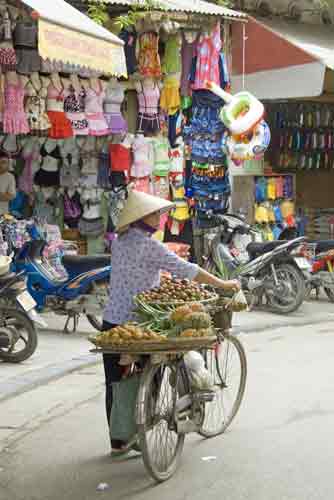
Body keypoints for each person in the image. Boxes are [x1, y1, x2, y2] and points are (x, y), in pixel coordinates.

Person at [102, 189, 240, 456]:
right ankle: (141, 429)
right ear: (143, 217)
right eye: (156, 214)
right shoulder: (150, 245)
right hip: (140, 324)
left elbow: (134, 274)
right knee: (148, 375)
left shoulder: (119, 242)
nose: (160, 218)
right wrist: (223, 283)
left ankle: (118, 440)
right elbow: (187, 269)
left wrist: (157, 281)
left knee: (114, 384)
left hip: (112, 323)